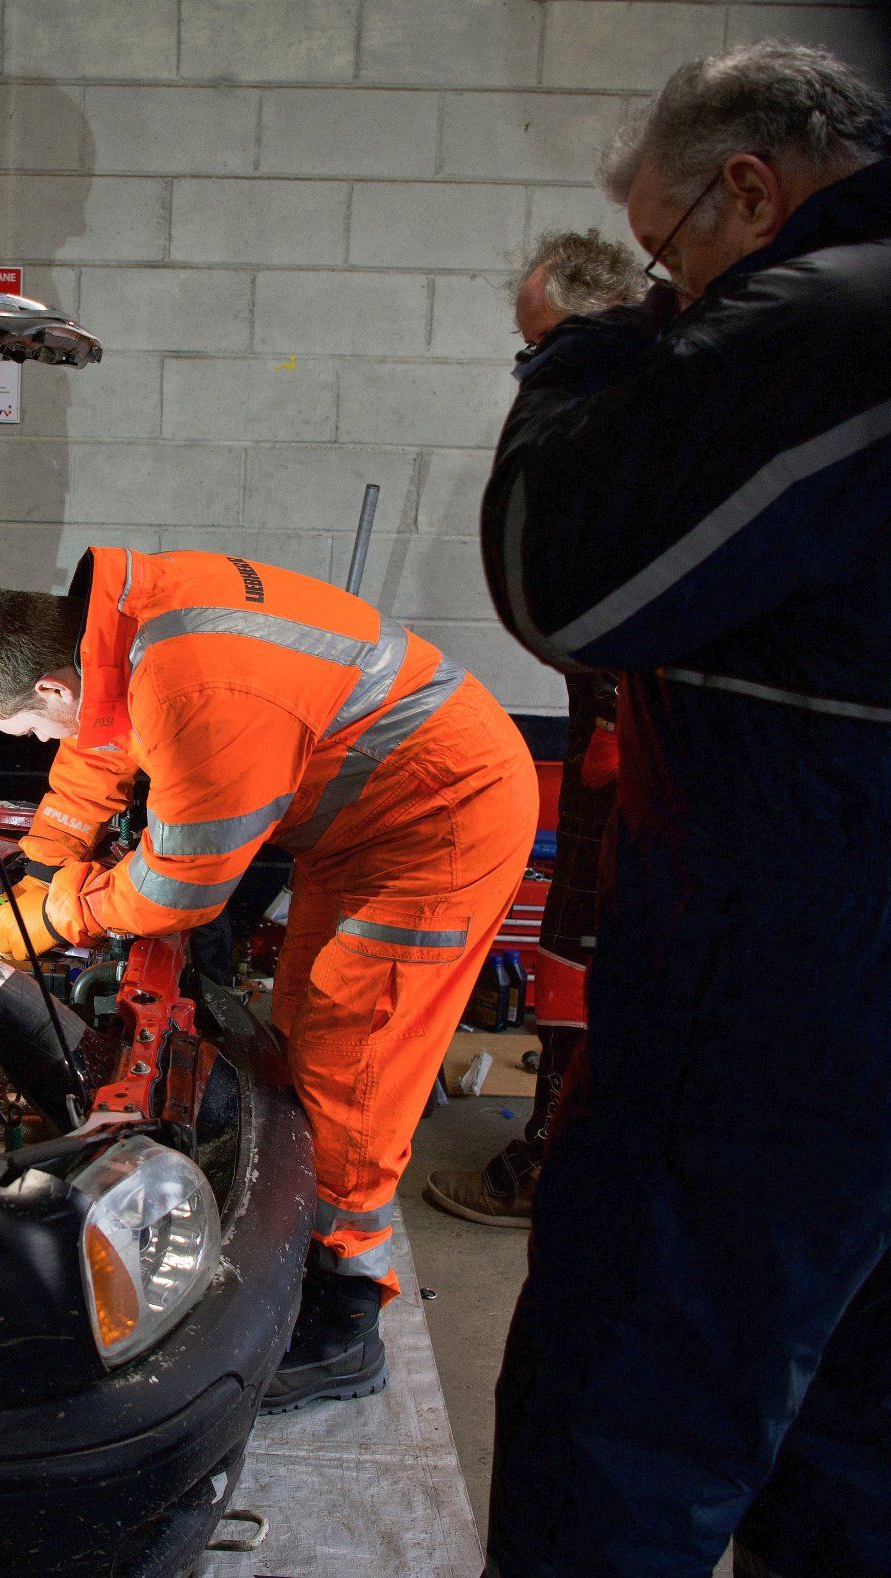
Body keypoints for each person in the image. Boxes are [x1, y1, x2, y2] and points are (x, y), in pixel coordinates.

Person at [477, 43, 891, 1577]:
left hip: (789, 973)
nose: (675, 297)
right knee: (842, 1428)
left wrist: (585, 351)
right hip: (834, 948)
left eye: (671, 259)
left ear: (749, 187)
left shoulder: (828, 314)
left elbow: (562, 579)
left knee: (622, 1412)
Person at [0, 548, 536, 1410]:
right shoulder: (114, 628)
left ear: (48, 688)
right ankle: (310, 1242)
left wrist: (62, 915)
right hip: (369, 816)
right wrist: (37, 872)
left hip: (440, 824)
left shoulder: (193, 684)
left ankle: (344, 1315)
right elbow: (93, 752)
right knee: (300, 1021)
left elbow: (182, 889)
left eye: (30, 731)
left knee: (353, 1055)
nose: (41, 745)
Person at [425, 230, 641, 1229]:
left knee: (583, 957)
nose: (528, 371)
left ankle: (551, 1173)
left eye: (536, 345)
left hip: (633, 734)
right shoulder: (652, 407)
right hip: (619, 722)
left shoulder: (621, 416)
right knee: (585, 955)